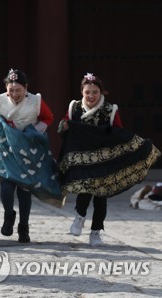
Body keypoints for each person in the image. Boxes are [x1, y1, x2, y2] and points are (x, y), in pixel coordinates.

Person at [58, 73, 160, 246]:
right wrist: (65, 125)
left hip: (104, 160)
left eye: (95, 92)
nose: (91, 96)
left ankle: (96, 232)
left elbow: (118, 133)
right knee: (84, 190)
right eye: (87, 92)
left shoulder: (110, 110)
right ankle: (79, 216)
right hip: (83, 159)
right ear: (82, 92)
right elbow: (63, 129)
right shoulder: (74, 108)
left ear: (101, 92)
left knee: (101, 199)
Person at [0, 69, 61, 243]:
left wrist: (33, 132)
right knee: (6, 188)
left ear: (26, 88)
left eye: (18, 90)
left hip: (28, 150)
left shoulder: (36, 101)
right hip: (7, 150)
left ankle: (24, 227)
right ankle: (9, 214)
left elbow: (48, 118)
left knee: (24, 190)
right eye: (11, 90)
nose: (14, 94)